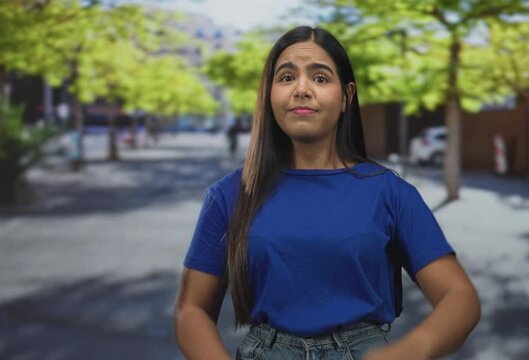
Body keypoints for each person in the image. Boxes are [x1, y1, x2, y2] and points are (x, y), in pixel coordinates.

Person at [174, 26, 481, 360]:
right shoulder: (230, 194)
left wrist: (409, 351)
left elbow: (460, 297)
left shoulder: (390, 192)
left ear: (347, 95)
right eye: (286, 77)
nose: (302, 90)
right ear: (269, 93)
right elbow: (191, 310)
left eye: (320, 78)